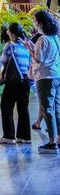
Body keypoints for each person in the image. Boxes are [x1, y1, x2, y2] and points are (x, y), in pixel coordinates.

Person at [24, 9, 60, 153]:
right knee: (56, 108)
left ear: (39, 22)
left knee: (47, 109)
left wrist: (30, 49)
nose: (34, 23)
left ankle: (51, 142)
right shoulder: (55, 37)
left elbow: (39, 59)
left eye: (34, 20)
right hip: (56, 74)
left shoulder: (43, 39)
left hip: (45, 76)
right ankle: (58, 138)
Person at [0, 21, 31, 145]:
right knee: (23, 108)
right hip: (25, 79)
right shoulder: (27, 44)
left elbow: (3, 61)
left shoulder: (10, 46)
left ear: (12, 33)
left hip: (13, 80)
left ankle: (9, 136)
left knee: (6, 106)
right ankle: (25, 136)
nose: (7, 33)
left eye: (8, 31)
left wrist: (0, 74)